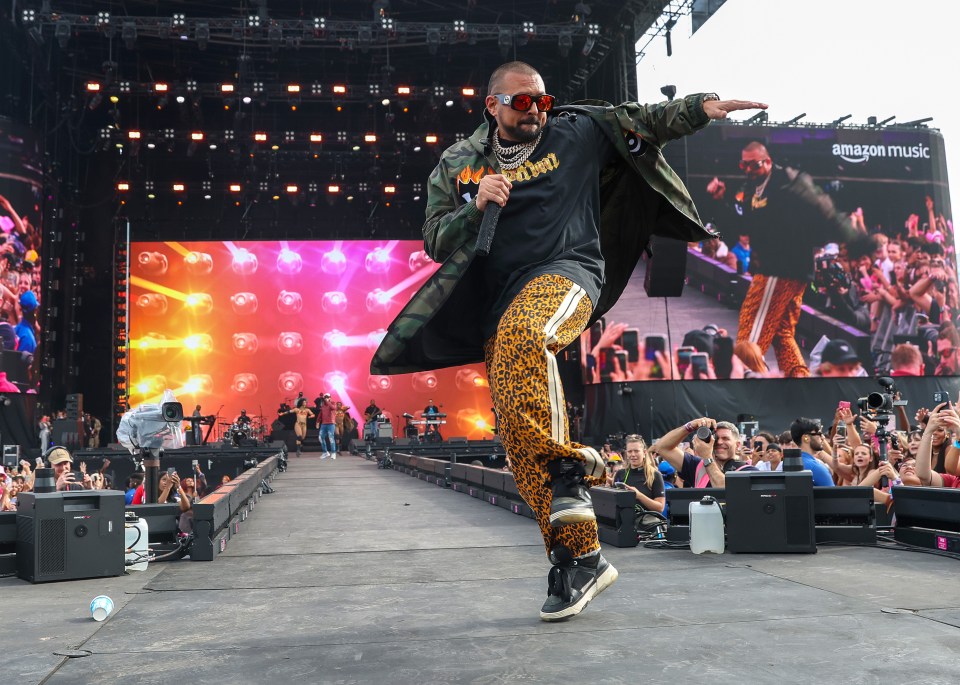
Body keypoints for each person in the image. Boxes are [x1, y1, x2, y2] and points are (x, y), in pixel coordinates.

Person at [371, 59, 765, 621]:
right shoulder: (460, 164)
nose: (535, 110)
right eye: (522, 102)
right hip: (497, 304)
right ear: (493, 105)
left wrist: (700, 108)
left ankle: (570, 466)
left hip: (569, 274)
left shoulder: (576, 131)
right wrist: (474, 204)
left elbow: (646, 121)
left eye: (542, 100)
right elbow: (436, 239)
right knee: (517, 434)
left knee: (528, 335)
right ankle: (579, 560)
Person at [706, 142, 863, 377]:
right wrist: (720, 201)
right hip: (787, 271)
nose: (748, 169)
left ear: (768, 162)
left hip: (778, 270)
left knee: (750, 338)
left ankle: (748, 388)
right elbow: (742, 227)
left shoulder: (784, 184)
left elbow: (813, 216)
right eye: (744, 165)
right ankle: (800, 383)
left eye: (754, 164)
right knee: (783, 334)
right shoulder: (752, 189)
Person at [657, 419, 755, 488]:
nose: (719, 442)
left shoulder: (748, 471)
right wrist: (689, 426)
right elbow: (662, 448)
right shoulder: (698, 466)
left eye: (725, 438)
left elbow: (725, 489)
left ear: (737, 445)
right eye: (716, 438)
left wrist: (707, 457)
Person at [612, 435, 665, 515]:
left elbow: (660, 508)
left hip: (646, 524)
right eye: (630, 451)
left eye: (636, 451)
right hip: (624, 522)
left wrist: (639, 496)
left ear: (644, 453)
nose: (633, 454)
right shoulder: (620, 473)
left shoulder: (655, 475)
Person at [318, 393, 337, 458]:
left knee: (331, 438)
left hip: (331, 423)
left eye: (328, 397)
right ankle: (325, 452)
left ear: (330, 397)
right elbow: (321, 413)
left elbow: (333, 408)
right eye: (325, 397)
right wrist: (317, 421)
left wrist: (327, 401)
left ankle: (333, 453)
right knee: (320, 437)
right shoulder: (323, 405)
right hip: (324, 424)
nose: (327, 398)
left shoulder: (333, 403)